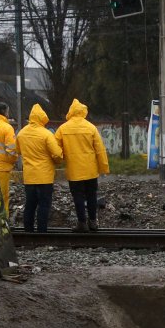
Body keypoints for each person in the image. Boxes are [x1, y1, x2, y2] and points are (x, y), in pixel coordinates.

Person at [55, 98, 109, 232]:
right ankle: (93, 222)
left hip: (74, 170)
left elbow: (55, 149)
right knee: (92, 196)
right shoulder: (91, 127)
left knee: (78, 196)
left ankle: (82, 223)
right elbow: (100, 149)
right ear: (83, 111)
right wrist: (103, 167)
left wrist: (57, 161)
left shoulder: (63, 128)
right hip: (90, 169)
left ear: (71, 112)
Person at [16, 104, 63, 233]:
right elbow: (57, 154)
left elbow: (18, 150)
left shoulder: (21, 133)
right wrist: (57, 162)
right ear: (43, 118)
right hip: (45, 177)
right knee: (44, 205)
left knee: (30, 205)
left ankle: (28, 231)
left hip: (29, 176)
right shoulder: (46, 134)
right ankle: (42, 232)